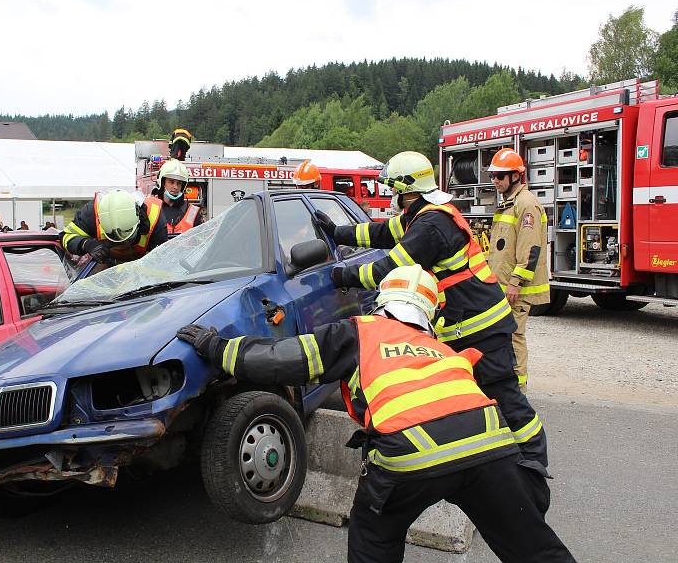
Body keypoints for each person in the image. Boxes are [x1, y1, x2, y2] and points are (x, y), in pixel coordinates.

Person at [177, 265, 575, 563]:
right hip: (490, 449)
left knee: (374, 536)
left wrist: (217, 348)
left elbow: (278, 361)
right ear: (430, 313)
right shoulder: (441, 349)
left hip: (410, 454)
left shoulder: (356, 331)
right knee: (534, 548)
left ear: (382, 300)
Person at [314, 151, 548, 469]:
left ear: (406, 190)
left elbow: (390, 268)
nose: (393, 198)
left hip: (481, 328)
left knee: (504, 397)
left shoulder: (431, 225)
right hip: (465, 324)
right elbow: (381, 233)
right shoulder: (425, 213)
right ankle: (490, 459)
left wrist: (343, 275)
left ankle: (534, 463)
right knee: (466, 395)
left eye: (395, 192)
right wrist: (337, 231)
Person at [487, 149, 550, 393]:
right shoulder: (510, 204)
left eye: (500, 176)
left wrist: (516, 282)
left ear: (516, 176)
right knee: (503, 336)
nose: (495, 181)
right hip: (503, 287)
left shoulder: (526, 205)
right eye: (493, 176)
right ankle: (508, 387)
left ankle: (518, 391)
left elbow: (530, 249)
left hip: (517, 289)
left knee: (513, 337)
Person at [60, 189, 152, 263]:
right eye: (114, 236)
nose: (123, 243)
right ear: (100, 220)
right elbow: (66, 237)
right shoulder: (91, 214)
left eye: (128, 233)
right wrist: (87, 244)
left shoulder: (154, 217)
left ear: (138, 215)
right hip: (106, 273)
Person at [140, 158, 203, 252]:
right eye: (171, 182)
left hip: (183, 264)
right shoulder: (149, 208)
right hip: (155, 263)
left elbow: (202, 244)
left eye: (179, 183)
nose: (175, 187)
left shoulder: (193, 212)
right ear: (162, 182)